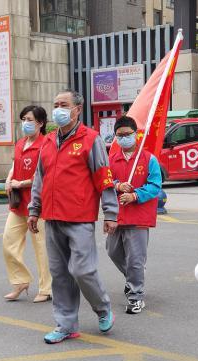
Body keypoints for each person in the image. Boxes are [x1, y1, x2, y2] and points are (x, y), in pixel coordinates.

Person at [28, 89, 119, 344]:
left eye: (64, 104)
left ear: (77, 109)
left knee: (82, 270)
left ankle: (103, 308)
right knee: (59, 274)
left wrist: (111, 213)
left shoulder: (91, 139)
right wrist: (34, 210)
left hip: (79, 217)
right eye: (55, 104)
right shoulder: (46, 141)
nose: (58, 108)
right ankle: (66, 325)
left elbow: (104, 176)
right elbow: (39, 179)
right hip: (52, 216)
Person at [106, 116, 162, 314]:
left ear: (136, 134)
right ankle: (134, 276)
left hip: (138, 217)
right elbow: (104, 183)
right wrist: (118, 185)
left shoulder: (148, 159)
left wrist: (135, 195)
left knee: (135, 259)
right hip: (116, 215)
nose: (124, 139)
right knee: (112, 251)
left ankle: (136, 296)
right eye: (119, 136)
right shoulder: (111, 159)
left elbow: (155, 186)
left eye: (127, 134)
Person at [2, 106, 53, 303]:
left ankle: (46, 288)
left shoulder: (46, 144)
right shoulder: (21, 143)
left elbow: (45, 173)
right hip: (17, 203)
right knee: (9, 242)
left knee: (41, 247)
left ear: (40, 123)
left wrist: (21, 183)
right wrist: (9, 179)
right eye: (23, 118)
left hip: (37, 203)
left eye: (30, 119)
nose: (25, 123)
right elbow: (15, 164)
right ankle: (20, 280)